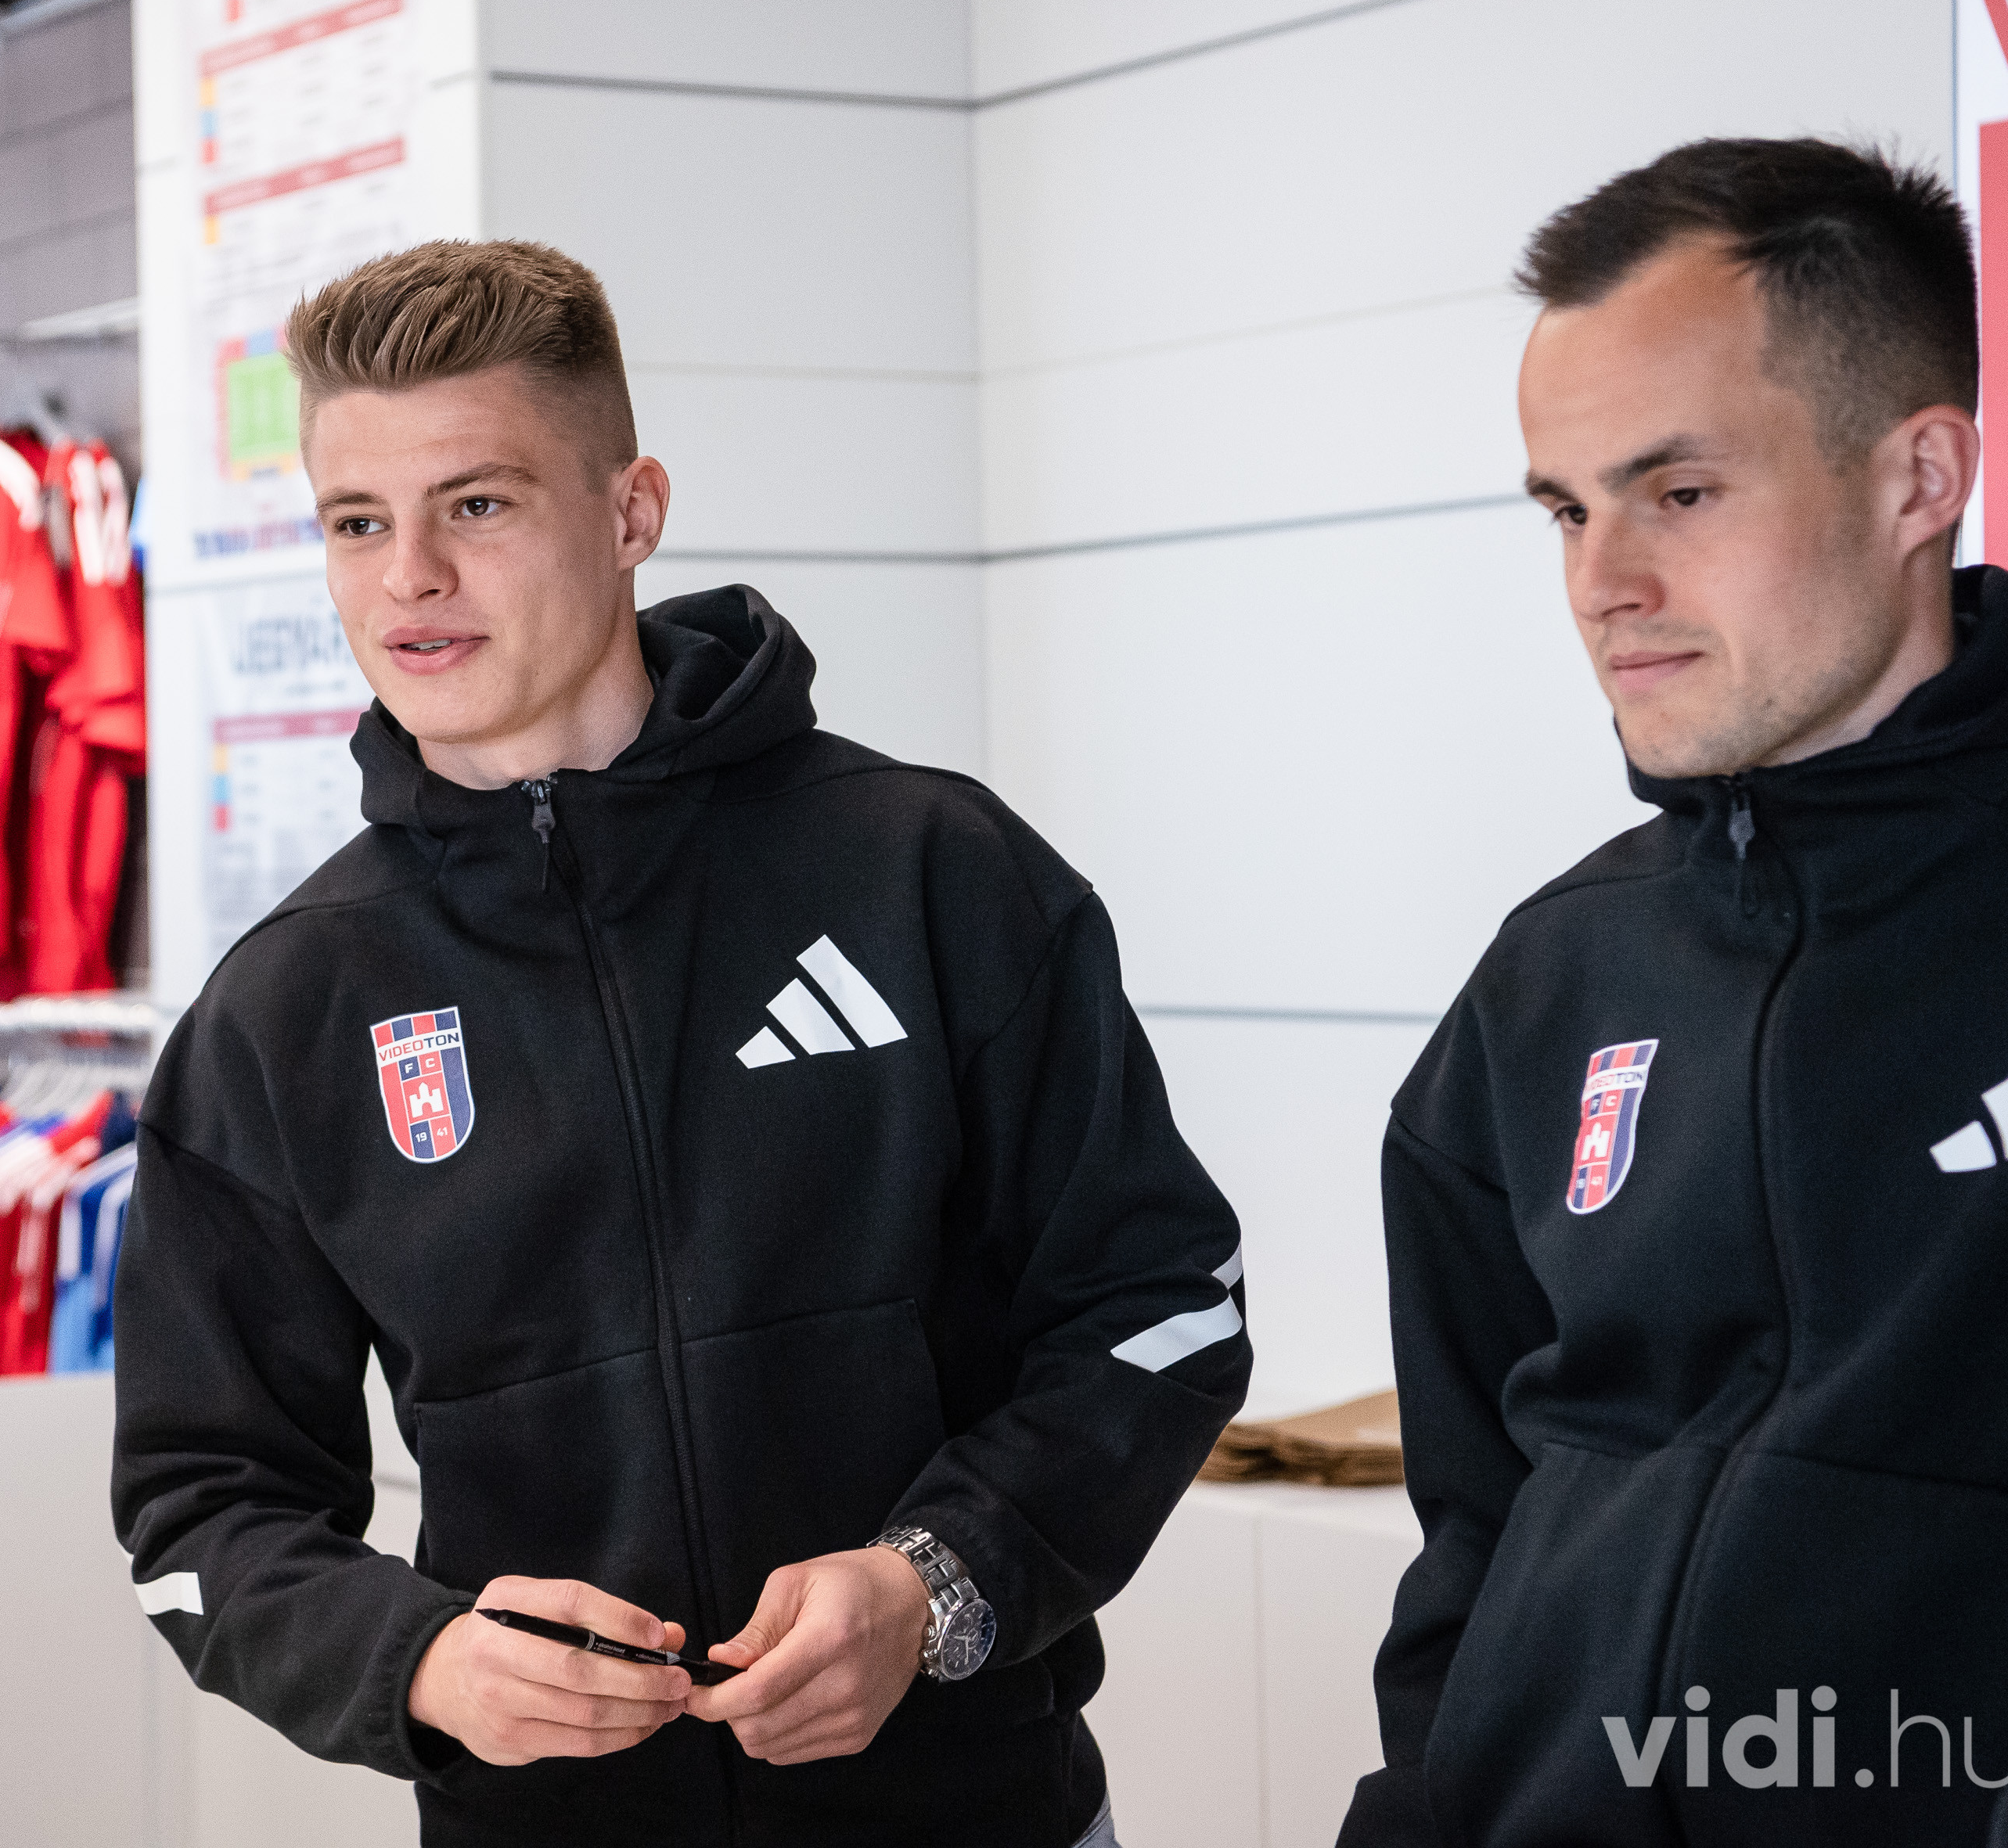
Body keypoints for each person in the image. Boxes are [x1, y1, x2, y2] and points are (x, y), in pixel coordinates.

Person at [110, 239, 1250, 1847]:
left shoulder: (930, 873)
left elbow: (1163, 1304)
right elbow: (199, 1507)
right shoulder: (285, 1011)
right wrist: (422, 1661)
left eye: (476, 504)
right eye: (358, 521)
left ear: (632, 510)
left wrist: (935, 1585)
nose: (408, 576)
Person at [1337, 138, 2008, 1848]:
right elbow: (1475, 1545)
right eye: (1566, 507)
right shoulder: (1553, 979)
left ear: (1919, 477)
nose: (1600, 582)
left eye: (1678, 494)